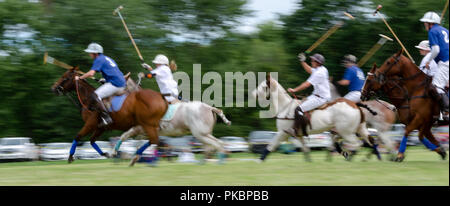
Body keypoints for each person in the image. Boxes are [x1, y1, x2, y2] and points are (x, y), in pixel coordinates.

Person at [76, 43, 126, 127]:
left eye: (90, 52)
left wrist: (80, 78)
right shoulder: (106, 58)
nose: (89, 54)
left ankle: (106, 118)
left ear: (95, 53)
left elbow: (91, 73)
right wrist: (105, 80)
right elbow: (113, 71)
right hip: (120, 81)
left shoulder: (98, 59)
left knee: (95, 95)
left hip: (116, 84)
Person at [287, 53, 331, 136]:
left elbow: (306, 84)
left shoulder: (319, 73)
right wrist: (302, 61)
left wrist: (294, 90)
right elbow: (309, 70)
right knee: (300, 105)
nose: (311, 62)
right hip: (316, 95)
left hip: (320, 98)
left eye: (312, 60)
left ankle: (296, 130)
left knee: (298, 109)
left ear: (317, 62)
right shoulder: (321, 69)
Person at [420, 11, 449, 121]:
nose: (424, 25)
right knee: (441, 87)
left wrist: (429, 61)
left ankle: (445, 113)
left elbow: (436, 50)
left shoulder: (432, 31)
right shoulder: (445, 30)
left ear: (430, 23)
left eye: (425, 23)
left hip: (445, 62)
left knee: (436, 88)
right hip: (447, 62)